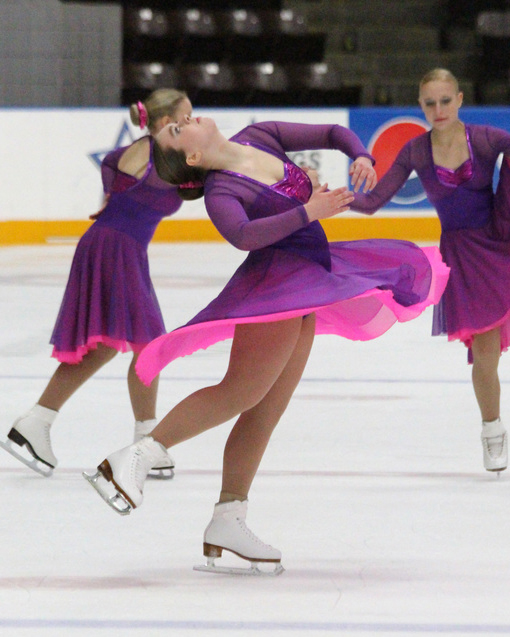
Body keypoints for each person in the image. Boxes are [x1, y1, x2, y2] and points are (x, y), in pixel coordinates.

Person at [83, 117, 450, 574]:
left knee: (266, 406)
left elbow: (334, 132)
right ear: (193, 158)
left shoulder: (257, 136)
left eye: (176, 123)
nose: (181, 120)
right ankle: (135, 457)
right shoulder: (221, 193)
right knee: (241, 391)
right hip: (277, 282)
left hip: (309, 276)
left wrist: (360, 155)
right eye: (177, 133)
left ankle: (228, 518)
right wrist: (309, 211)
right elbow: (243, 236)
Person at [349, 52, 510, 474]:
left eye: (446, 101)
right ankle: (492, 428)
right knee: (484, 352)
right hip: (461, 257)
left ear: (459, 100)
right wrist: (332, 197)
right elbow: (372, 203)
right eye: (430, 103)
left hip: (499, 240)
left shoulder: (480, 137)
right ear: (421, 105)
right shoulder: (415, 152)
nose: (438, 110)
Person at [0, 89, 193, 479]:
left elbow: (111, 170)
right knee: (150, 344)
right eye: (184, 118)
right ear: (163, 121)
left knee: (104, 346)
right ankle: (147, 442)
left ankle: (35, 422)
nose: (190, 125)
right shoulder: (165, 158)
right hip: (118, 248)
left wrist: (111, 203)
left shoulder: (126, 155)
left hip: (107, 243)